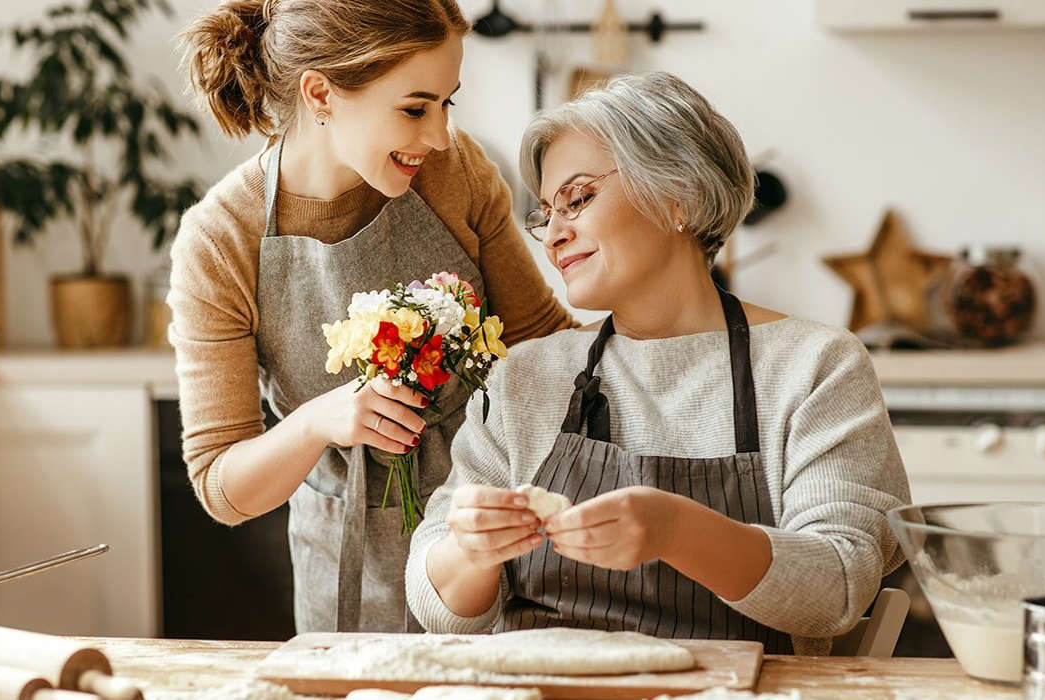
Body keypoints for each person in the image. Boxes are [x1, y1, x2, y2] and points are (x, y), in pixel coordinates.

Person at [407, 72, 911, 655]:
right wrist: (471, 552)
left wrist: (678, 530)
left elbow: (838, 589)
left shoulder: (815, 367)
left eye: (577, 198)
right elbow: (438, 607)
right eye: (547, 213)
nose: (554, 236)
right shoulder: (525, 375)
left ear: (680, 196)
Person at [168, 0, 573, 634]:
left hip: (492, 544)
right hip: (347, 572)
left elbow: (544, 348)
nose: (438, 135)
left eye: (447, 104)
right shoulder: (220, 239)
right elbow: (224, 488)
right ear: (321, 94)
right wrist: (317, 423)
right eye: (415, 109)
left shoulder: (453, 171)